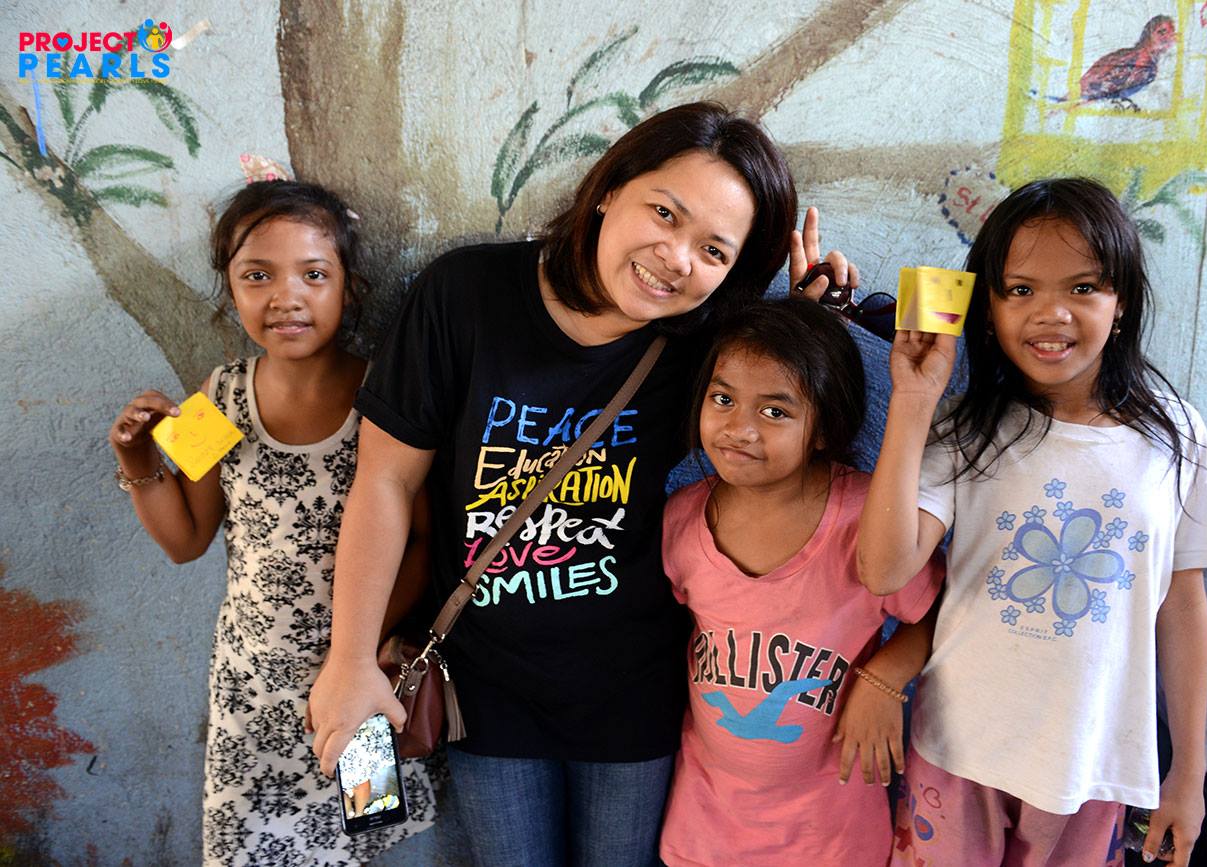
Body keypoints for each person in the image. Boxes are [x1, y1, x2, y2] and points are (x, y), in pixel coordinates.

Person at [305, 102, 857, 866]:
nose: (676, 257)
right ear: (611, 188)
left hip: (633, 692)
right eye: (664, 213)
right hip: (486, 686)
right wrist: (350, 658)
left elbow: (807, 437)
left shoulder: (704, 345)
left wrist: (811, 330)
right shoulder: (465, 295)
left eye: (713, 250)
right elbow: (386, 481)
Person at [857, 178, 1207, 867]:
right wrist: (913, 399)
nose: (1051, 314)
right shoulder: (965, 429)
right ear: (988, 308)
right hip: (958, 753)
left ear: (1121, 301)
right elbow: (884, 569)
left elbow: (1183, 606)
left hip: (1092, 769)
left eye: (1083, 288)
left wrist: (1188, 773)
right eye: (1020, 290)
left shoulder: (1175, 435)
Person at [109, 180, 435, 866]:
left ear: (349, 287)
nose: (286, 297)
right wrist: (138, 459)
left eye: (313, 274)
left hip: (359, 682)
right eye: (258, 276)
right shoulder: (217, 396)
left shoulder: (386, 396)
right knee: (242, 846)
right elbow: (186, 540)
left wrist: (354, 650)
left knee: (365, 836)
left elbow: (422, 543)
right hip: (249, 688)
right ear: (229, 289)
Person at [657, 298, 943, 867]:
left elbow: (937, 614)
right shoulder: (682, 518)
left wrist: (886, 679)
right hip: (706, 827)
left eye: (775, 411)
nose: (739, 429)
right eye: (723, 399)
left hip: (831, 834)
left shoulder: (866, 519)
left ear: (824, 429)